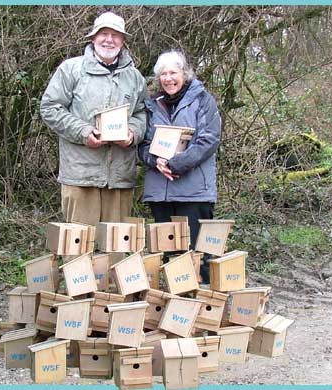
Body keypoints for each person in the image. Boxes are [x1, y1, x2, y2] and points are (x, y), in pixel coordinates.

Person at [40, 12, 147, 226]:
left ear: (123, 41)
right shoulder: (71, 69)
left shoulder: (134, 77)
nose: (109, 39)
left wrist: (133, 133)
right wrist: (83, 132)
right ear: (93, 38)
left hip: (119, 177)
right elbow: (50, 107)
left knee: (116, 247)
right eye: (103, 34)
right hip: (81, 175)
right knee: (79, 247)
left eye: (115, 35)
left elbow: (142, 112)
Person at [138, 50, 222, 284]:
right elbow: (142, 144)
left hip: (193, 192)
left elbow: (209, 139)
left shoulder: (203, 100)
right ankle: (174, 311)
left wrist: (176, 164)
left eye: (173, 72)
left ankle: (203, 310)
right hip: (161, 192)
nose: (168, 78)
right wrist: (156, 161)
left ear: (184, 73)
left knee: (198, 254)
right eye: (163, 74)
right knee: (169, 254)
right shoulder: (152, 104)